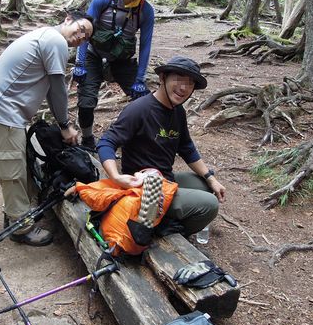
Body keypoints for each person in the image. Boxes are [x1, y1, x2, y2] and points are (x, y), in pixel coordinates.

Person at [0, 10, 93, 246]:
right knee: (13, 170)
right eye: (81, 29)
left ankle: (18, 211)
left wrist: (63, 124)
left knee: (21, 162)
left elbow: (51, 89)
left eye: (86, 37)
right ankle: (20, 227)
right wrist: (64, 126)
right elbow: (58, 88)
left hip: (3, 111)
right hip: (3, 112)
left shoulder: (47, 38)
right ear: (68, 19)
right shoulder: (56, 41)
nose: (81, 36)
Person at [96, 56, 226, 237]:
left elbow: (186, 147)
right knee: (209, 205)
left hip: (165, 179)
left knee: (204, 185)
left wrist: (210, 177)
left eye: (190, 83)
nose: (183, 88)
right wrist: (116, 177)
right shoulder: (140, 109)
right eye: (178, 79)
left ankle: (162, 220)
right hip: (143, 189)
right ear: (162, 78)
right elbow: (106, 142)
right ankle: (159, 231)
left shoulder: (177, 111)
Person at [72, 0, 157, 149]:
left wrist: (140, 79)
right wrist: (80, 62)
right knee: (86, 102)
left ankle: (147, 139)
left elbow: (145, 46)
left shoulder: (146, 11)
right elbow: (84, 29)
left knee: (145, 101)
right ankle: (87, 139)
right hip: (93, 55)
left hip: (122, 61)